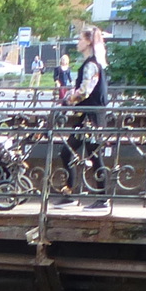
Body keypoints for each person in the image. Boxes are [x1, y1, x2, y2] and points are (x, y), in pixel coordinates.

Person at [61, 28, 110, 206]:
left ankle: (102, 198)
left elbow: (85, 91)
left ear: (88, 41)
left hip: (92, 117)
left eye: (80, 39)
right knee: (68, 151)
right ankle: (71, 193)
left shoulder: (91, 64)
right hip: (89, 117)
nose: (77, 42)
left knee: (94, 155)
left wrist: (68, 99)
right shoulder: (93, 63)